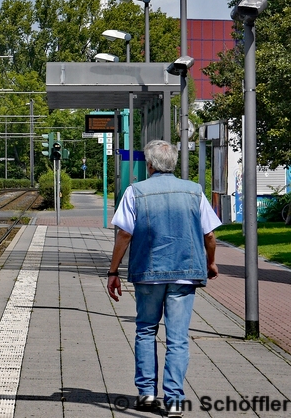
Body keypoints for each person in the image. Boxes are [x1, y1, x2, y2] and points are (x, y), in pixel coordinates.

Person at [107, 139, 220, 417]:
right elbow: (209, 235)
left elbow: (124, 234)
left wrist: (113, 271)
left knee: (146, 330)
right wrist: (211, 262)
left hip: (148, 273)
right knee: (178, 338)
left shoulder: (136, 192)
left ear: (149, 164)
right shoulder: (194, 192)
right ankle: (174, 400)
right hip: (185, 273)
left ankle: (146, 394)